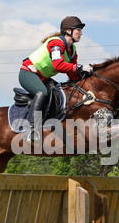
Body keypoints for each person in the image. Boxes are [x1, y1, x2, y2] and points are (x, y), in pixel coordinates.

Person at [19, 16, 93, 145]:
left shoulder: (72, 51)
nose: (81, 33)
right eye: (78, 30)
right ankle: (32, 130)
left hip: (43, 78)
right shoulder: (56, 43)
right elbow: (57, 65)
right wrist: (80, 67)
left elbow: (72, 73)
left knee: (60, 92)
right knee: (42, 93)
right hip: (27, 73)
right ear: (68, 31)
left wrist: (86, 79)